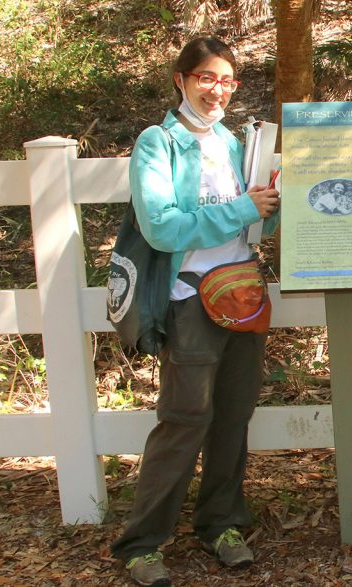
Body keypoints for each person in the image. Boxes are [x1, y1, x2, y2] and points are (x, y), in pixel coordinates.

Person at [110, 36, 280, 587]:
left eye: (227, 80)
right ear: (181, 80)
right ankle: (142, 543)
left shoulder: (233, 144)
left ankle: (222, 524)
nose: (218, 90)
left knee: (233, 417)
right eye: (207, 77)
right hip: (190, 301)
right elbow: (162, 227)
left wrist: (273, 205)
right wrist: (241, 208)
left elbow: (248, 225)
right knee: (185, 422)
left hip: (242, 296)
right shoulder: (156, 144)